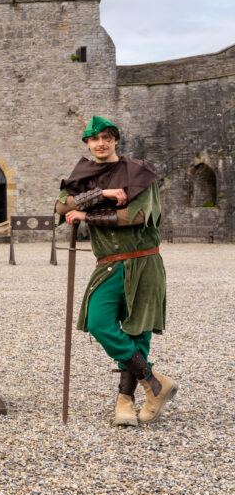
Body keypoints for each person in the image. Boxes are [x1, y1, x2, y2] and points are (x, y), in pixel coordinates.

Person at [56, 115, 175, 426]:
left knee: (138, 332)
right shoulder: (83, 175)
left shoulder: (138, 172)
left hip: (143, 260)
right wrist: (100, 194)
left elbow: (136, 216)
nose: (100, 143)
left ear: (115, 140)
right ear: (86, 143)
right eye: (94, 139)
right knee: (98, 322)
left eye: (106, 137)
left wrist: (86, 216)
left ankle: (125, 401)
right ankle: (155, 383)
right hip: (107, 265)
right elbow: (60, 207)